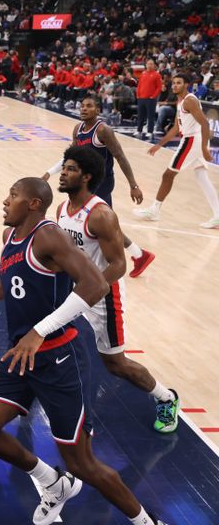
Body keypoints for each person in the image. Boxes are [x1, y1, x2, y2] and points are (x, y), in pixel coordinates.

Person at [0, 177, 169, 525]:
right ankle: (52, 482)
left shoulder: (50, 236)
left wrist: (39, 330)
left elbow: (95, 283)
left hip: (59, 358)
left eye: (13, 195)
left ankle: (147, 521)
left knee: (83, 463)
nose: (6, 201)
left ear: (34, 203)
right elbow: (11, 281)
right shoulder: (10, 237)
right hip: (21, 354)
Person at [56, 146, 179, 432]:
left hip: (103, 297)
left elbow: (118, 265)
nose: (63, 172)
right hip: (76, 292)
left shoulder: (101, 215)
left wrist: (89, 290)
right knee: (54, 343)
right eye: (64, 167)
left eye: (71, 169)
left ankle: (166, 397)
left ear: (86, 177)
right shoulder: (63, 209)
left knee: (115, 364)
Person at [43, 96, 155, 277]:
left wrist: (133, 185)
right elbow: (72, 156)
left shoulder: (103, 130)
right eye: (82, 106)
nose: (84, 109)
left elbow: (120, 157)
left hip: (102, 182)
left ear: (98, 110)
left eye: (89, 106)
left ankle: (125, 257)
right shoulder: (77, 129)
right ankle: (139, 254)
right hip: (83, 182)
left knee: (100, 223)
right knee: (96, 223)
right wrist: (50, 172)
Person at [133, 73, 219, 229]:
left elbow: (205, 124)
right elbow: (176, 128)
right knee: (202, 178)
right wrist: (159, 144)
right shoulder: (180, 101)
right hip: (192, 139)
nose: (174, 85)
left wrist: (205, 149)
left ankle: (154, 210)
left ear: (186, 85)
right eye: (173, 83)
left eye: (178, 83)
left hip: (192, 141)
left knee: (168, 174)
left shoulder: (190, 100)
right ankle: (218, 216)